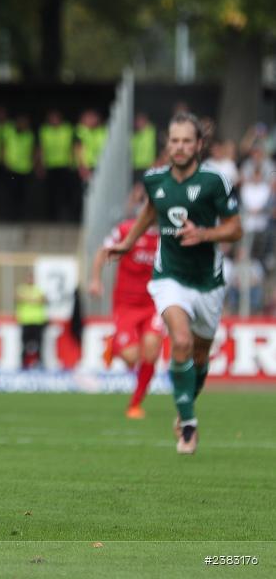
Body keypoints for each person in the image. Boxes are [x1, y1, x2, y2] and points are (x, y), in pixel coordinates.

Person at [105, 112, 242, 455]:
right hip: (169, 277)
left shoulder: (215, 182)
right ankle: (188, 426)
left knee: (198, 355)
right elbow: (151, 212)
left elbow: (236, 229)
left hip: (208, 282)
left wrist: (204, 233)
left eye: (186, 141)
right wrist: (129, 243)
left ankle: (184, 407)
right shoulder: (155, 180)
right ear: (167, 143)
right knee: (179, 340)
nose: (179, 147)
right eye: (174, 140)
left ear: (198, 145)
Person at [89, 207, 163, 419]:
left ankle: (135, 403)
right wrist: (95, 280)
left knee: (151, 349)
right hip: (126, 305)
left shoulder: (167, 238)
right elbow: (103, 251)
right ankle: (115, 346)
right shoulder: (125, 230)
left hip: (153, 303)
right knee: (132, 357)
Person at [16, 271, 47, 369]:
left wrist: (28, 299)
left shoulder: (38, 289)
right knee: (24, 344)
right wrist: (34, 300)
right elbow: (19, 298)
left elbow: (43, 300)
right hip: (26, 320)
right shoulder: (22, 289)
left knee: (39, 344)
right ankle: (23, 364)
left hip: (37, 321)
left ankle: (39, 363)